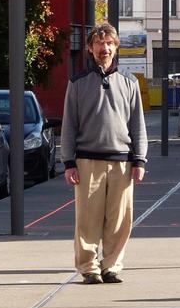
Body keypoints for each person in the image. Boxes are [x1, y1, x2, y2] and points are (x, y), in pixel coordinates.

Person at [61, 23, 147, 285]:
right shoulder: (77, 84)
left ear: (116, 47)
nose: (104, 48)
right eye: (99, 44)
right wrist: (68, 162)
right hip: (88, 160)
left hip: (122, 161)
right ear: (90, 48)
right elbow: (69, 125)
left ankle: (111, 265)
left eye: (109, 43)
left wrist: (140, 159)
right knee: (87, 219)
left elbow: (137, 124)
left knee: (120, 219)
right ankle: (89, 267)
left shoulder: (129, 82)